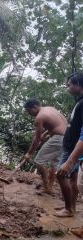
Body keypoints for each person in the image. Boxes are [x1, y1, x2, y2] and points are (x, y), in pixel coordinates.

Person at [23, 98, 67, 195]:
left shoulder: (39, 117)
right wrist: (47, 132)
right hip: (66, 138)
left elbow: (36, 138)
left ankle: (46, 186)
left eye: (29, 111)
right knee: (54, 164)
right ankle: (50, 188)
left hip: (58, 138)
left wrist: (29, 153)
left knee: (39, 161)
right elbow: (61, 122)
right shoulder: (50, 108)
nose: (29, 113)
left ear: (34, 107)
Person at [54, 72, 83, 218]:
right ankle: (71, 207)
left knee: (61, 174)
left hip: (73, 147)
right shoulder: (79, 101)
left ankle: (68, 209)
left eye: (69, 84)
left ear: (78, 85)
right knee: (73, 177)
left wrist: (71, 159)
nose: (67, 87)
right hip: (72, 145)